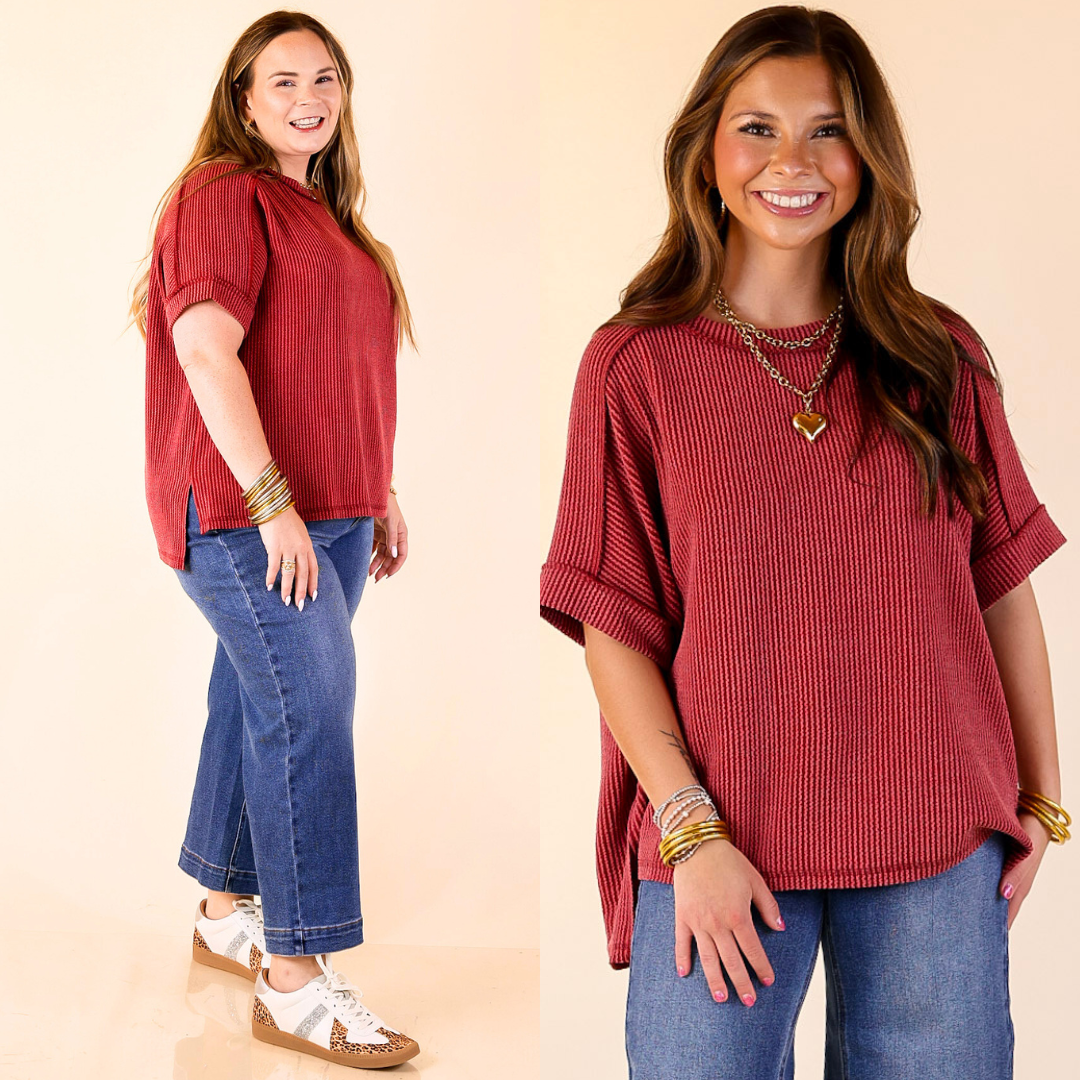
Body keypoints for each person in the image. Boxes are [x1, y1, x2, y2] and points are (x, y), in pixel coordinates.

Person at [539, 7, 1071, 1078]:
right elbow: (612, 624)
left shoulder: (939, 355)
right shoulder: (634, 367)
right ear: (706, 150)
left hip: (935, 834)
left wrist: (1043, 805)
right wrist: (690, 829)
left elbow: (1001, 588)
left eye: (828, 130)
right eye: (758, 129)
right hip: (717, 841)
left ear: (868, 156)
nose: (793, 162)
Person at [128, 10, 419, 1069]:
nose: (310, 97)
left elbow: (330, 370)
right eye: (284, 80)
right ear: (243, 99)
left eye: (327, 78)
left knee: (257, 698)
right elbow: (207, 351)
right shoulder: (222, 193)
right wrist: (269, 499)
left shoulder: (325, 217)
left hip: (332, 515)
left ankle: (222, 909)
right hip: (253, 515)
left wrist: (374, 485)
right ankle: (295, 981)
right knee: (311, 712)